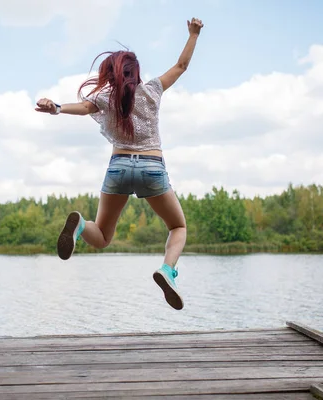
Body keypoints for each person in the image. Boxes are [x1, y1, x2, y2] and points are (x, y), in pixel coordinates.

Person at [35, 18, 204, 310]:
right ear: (135, 73)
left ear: (110, 74)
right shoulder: (152, 90)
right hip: (152, 169)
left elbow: (84, 107)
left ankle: (79, 228)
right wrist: (193, 35)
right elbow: (181, 66)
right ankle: (167, 270)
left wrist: (57, 108)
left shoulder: (105, 97)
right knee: (177, 226)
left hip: (118, 169)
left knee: (100, 237)